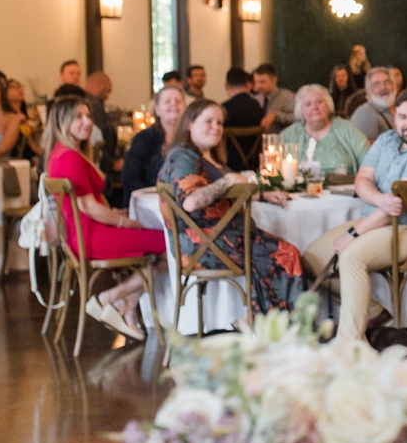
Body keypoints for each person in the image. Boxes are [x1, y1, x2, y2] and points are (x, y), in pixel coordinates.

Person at [302, 89, 407, 340]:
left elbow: (400, 208)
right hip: (379, 221)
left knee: (350, 256)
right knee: (312, 258)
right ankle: (374, 312)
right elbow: (362, 179)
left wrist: (354, 233)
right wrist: (379, 199)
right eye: (404, 117)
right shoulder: (386, 140)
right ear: (395, 118)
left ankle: (350, 343)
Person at [162, 99, 303, 315]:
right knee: (286, 254)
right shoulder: (184, 157)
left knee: (277, 249)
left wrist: (262, 195)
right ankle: (277, 330)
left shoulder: (207, 157)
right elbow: (191, 201)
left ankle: (259, 322)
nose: (216, 127)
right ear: (189, 123)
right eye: (208, 121)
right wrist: (228, 181)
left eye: (219, 123)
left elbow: (227, 196)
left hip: (220, 236)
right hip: (203, 243)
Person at [43, 97, 164, 342]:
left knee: (163, 243)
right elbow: (88, 207)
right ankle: (109, 297)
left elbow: (88, 204)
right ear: (62, 121)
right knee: (171, 245)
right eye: (78, 117)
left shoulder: (60, 153)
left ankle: (128, 306)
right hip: (93, 237)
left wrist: (117, 214)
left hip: (83, 235)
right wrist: (128, 222)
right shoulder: (70, 157)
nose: (87, 122)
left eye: (88, 116)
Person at [280, 85, 369, 177]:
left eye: (319, 102)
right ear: (300, 110)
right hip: (301, 191)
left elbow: (369, 159)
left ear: (328, 105)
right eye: (308, 104)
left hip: (344, 189)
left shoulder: (347, 128)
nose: (315, 107)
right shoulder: (289, 135)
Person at [122, 84, 185, 197]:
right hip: (150, 201)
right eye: (167, 101)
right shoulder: (144, 139)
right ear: (157, 110)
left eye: (178, 100)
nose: (174, 104)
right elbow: (130, 178)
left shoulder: (192, 137)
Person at [221, 68, 265, 171]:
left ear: (226, 86)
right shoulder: (257, 107)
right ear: (248, 84)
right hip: (255, 163)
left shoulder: (224, 109)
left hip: (230, 164)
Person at [350, 66, 397, 141]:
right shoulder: (365, 113)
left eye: (387, 82)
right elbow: (368, 150)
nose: (383, 87)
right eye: (376, 84)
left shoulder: (399, 108)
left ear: (394, 86)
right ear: (368, 92)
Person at [252, 63, 297, 133]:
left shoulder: (286, 96)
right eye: (256, 82)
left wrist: (276, 116)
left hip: (280, 140)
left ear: (274, 80)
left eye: (262, 82)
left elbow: (298, 118)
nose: (258, 86)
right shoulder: (255, 99)